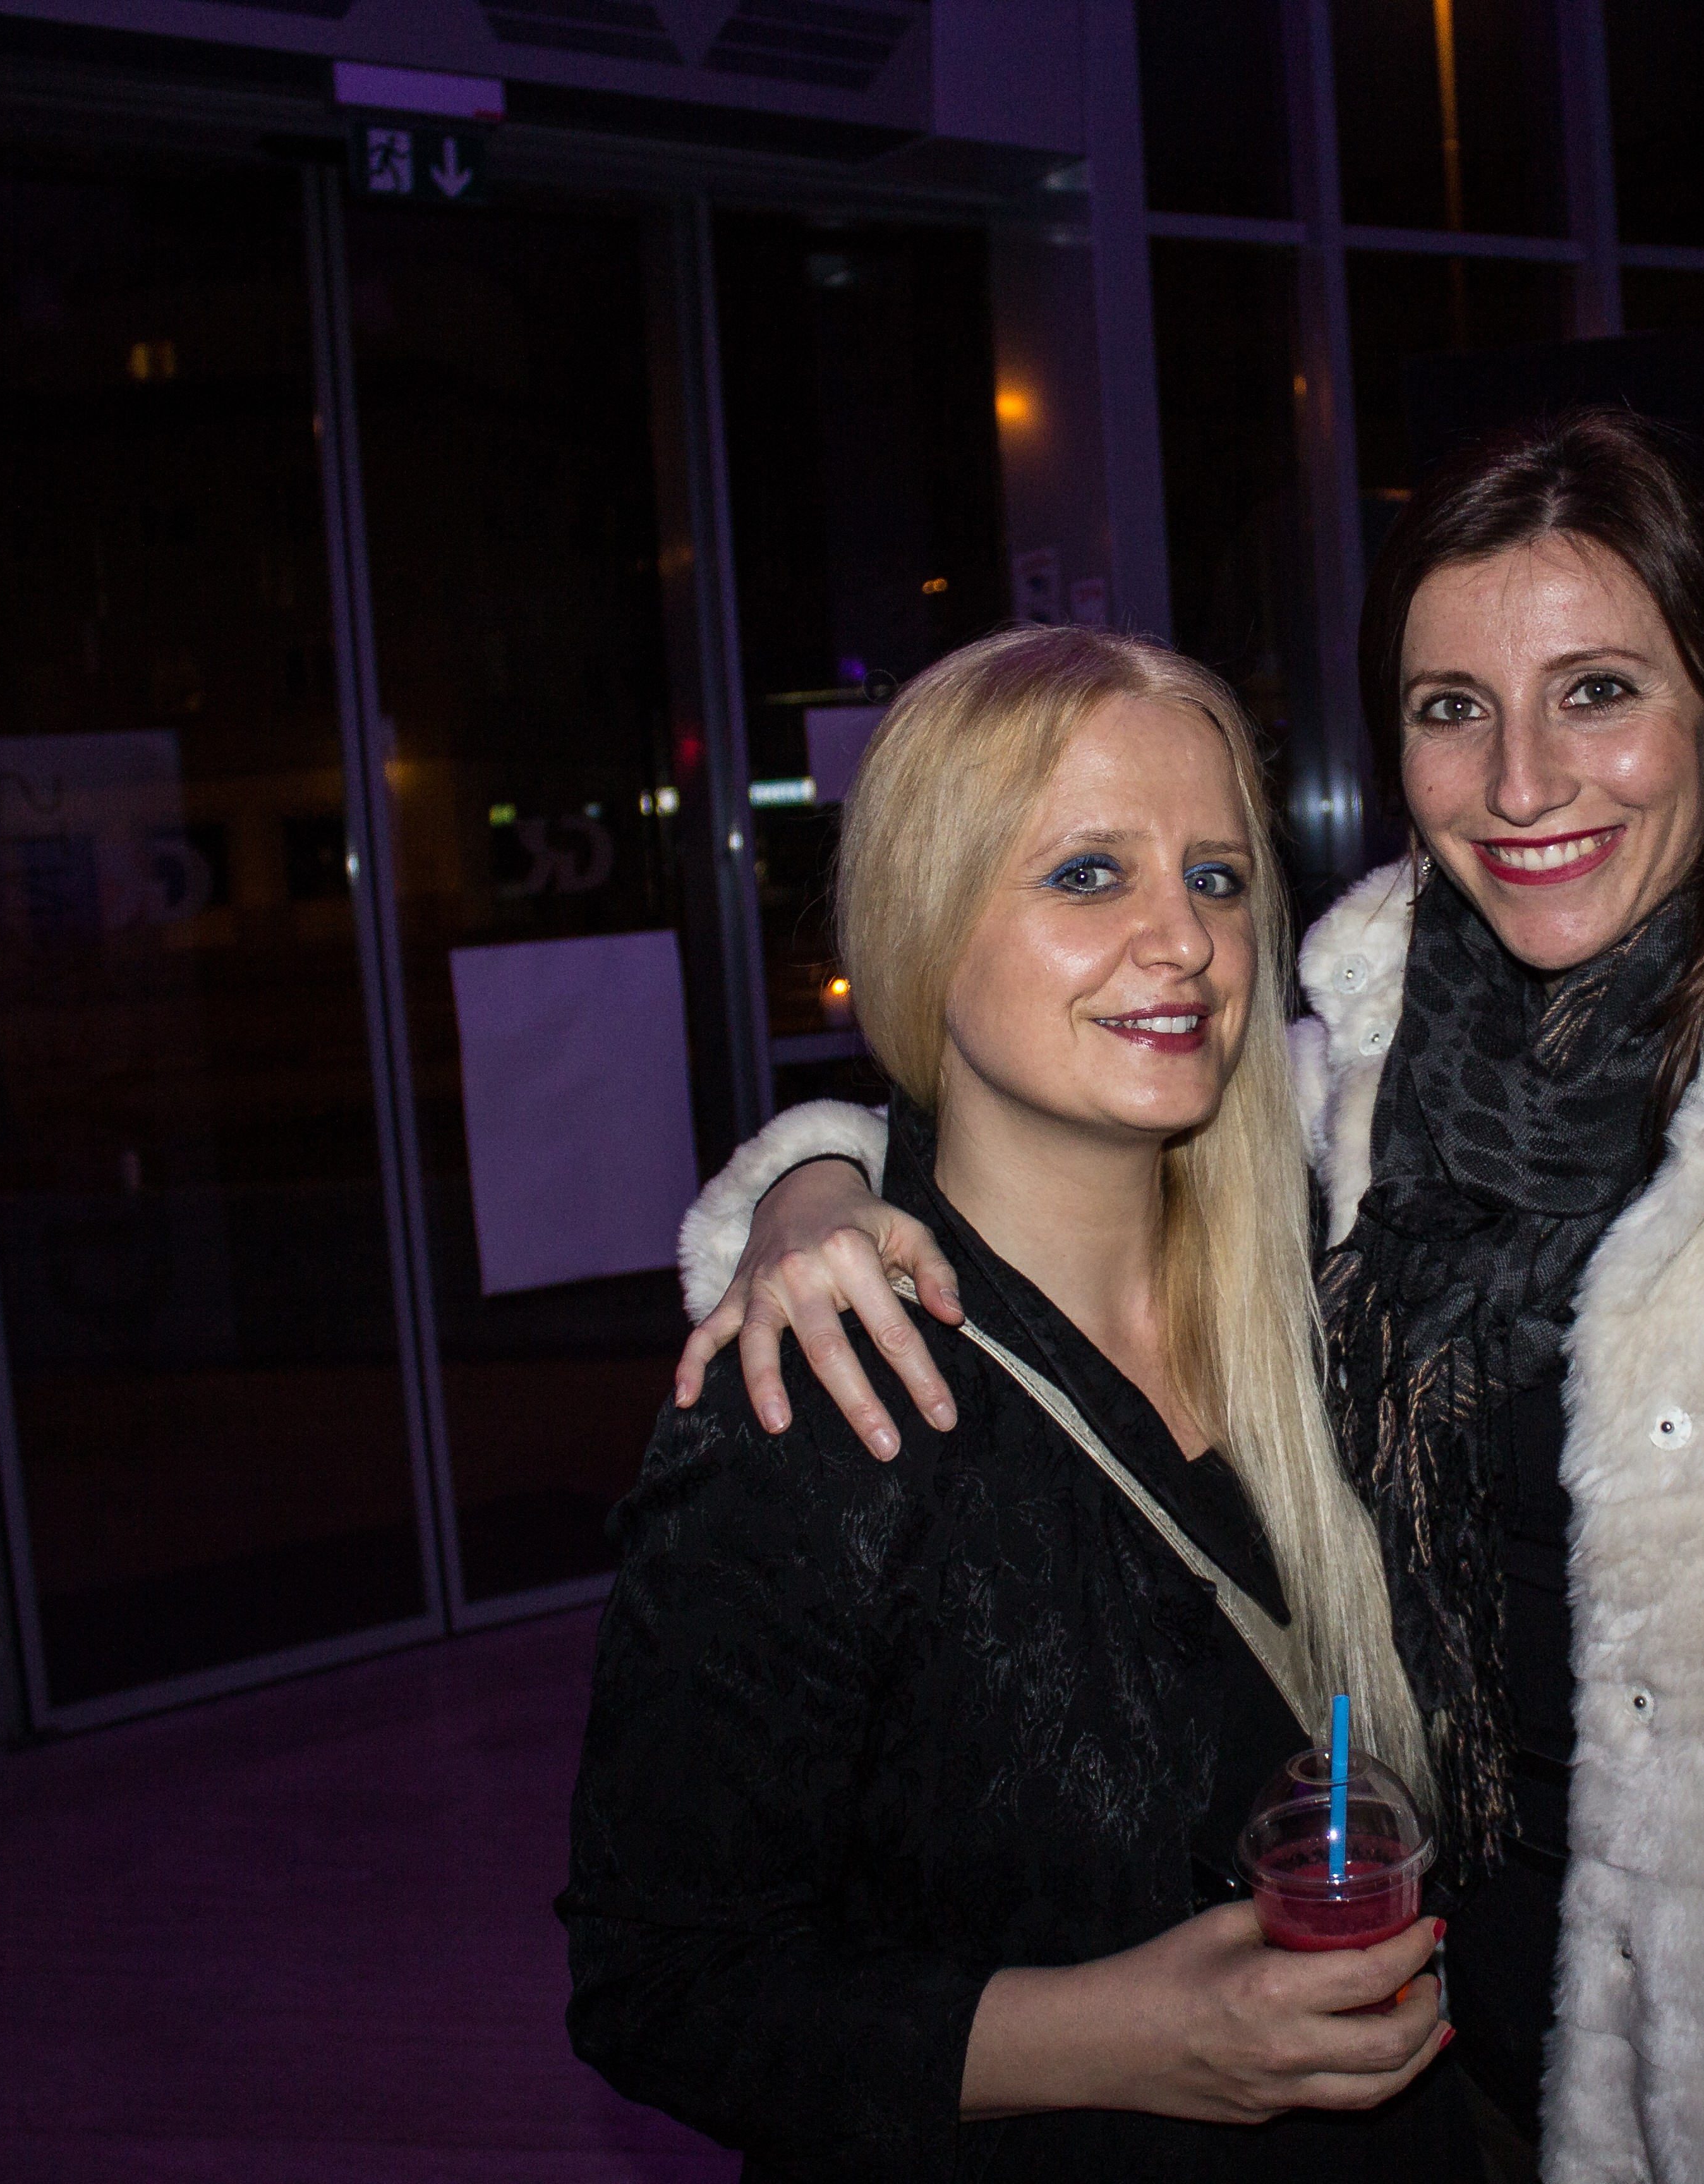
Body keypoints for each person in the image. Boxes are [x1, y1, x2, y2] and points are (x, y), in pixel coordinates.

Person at [675, 411, 1704, 2180]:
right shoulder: (1353, 1083)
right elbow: (1033, 1131)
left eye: (1597, 692)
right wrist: (809, 1189)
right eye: (1455, 707)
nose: (1523, 782)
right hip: (1422, 2098)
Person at [560, 625, 1468, 2181]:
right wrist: (1118, 2038)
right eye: (1088, 875)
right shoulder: (829, 1397)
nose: (1184, 941)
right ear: (926, 923)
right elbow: (659, 1984)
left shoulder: (1331, 1300)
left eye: (1218, 877)